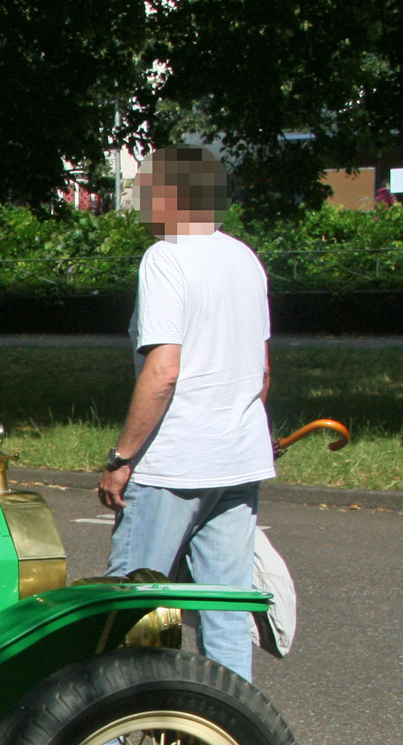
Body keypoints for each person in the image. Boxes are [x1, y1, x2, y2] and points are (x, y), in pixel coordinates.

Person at [100, 145, 272, 682]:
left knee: (130, 608)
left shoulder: (166, 258)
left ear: (174, 196)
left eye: (144, 188)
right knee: (226, 614)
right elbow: (263, 373)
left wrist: (122, 457)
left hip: (172, 465)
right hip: (238, 460)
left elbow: (163, 371)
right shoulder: (245, 258)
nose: (138, 198)